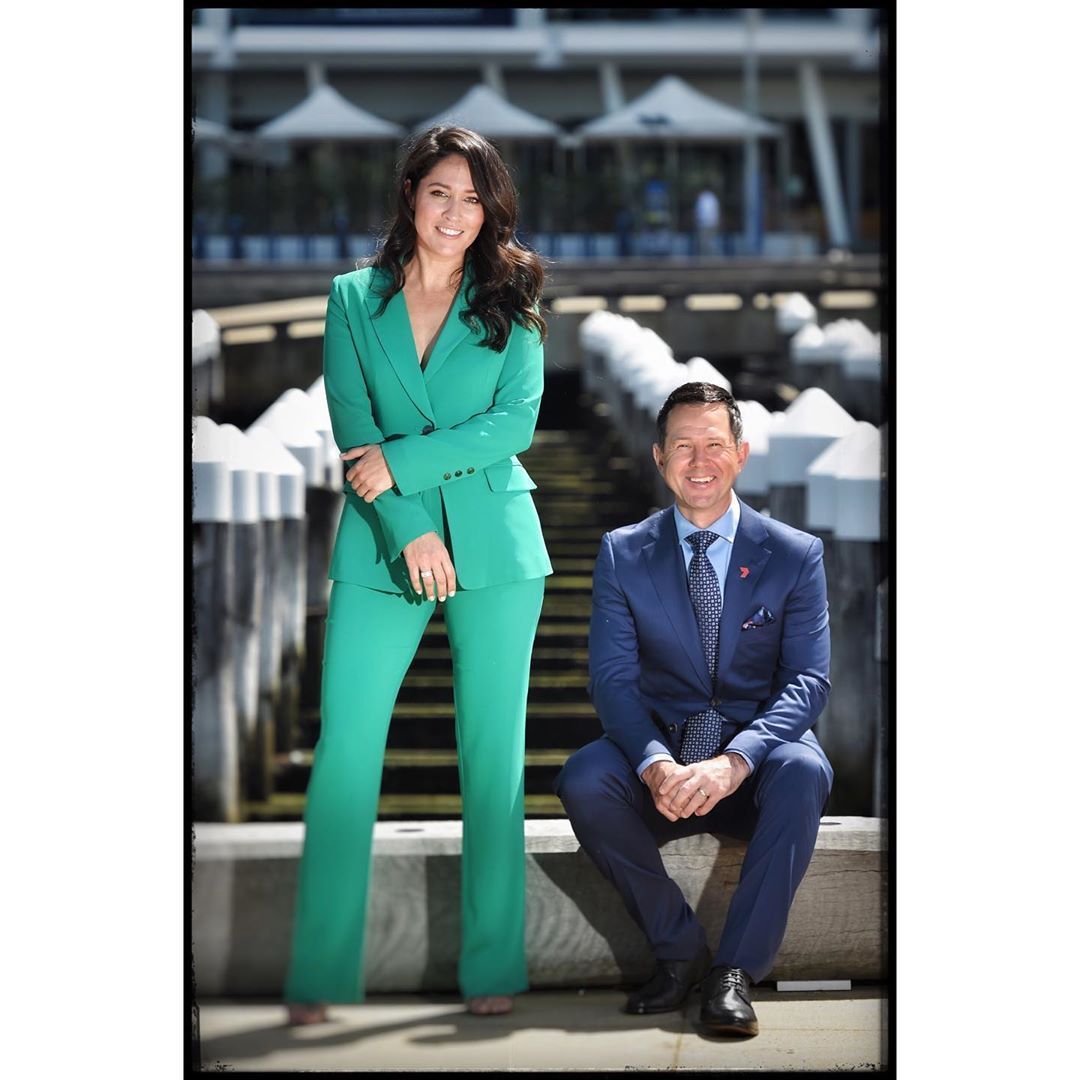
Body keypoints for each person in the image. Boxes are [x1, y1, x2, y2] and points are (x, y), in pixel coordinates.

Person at [284, 126, 552, 1023]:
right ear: (410, 194)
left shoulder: (513, 299)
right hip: (381, 543)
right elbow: (353, 426)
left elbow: (514, 424)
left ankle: (493, 964)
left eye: (474, 199)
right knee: (345, 752)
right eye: (441, 192)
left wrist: (403, 462)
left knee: (494, 759)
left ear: (490, 211)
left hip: (498, 547)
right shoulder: (351, 299)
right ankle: (320, 971)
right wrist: (409, 528)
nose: (455, 213)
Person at [555, 382, 833, 1038]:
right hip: (666, 756)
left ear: (741, 454)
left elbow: (808, 681)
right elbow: (613, 682)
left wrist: (736, 761)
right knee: (584, 778)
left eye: (714, 445)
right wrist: (655, 764)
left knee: (804, 769)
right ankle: (678, 951)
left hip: (756, 759)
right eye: (683, 446)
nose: (699, 461)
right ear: (659, 458)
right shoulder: (624, 552)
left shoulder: (795, 554)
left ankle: (734, 973)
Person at [693, 187, 720, 256]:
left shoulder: (702, 198)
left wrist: (698, 221)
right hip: (712, 223)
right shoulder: (713, 197)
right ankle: (711, 256)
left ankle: (708, 257)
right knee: (710, 241)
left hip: (704, 223)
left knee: (704, 242)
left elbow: (700, 212)